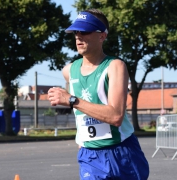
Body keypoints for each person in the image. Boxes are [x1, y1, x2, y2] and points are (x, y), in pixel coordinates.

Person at [48, 9, 149, 180]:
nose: (78, 36)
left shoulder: (115, 66)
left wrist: (71, 100)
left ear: (102, 36)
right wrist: (82, 136)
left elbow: (116, 115)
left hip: (122, 151)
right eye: (75, 32)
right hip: (91, 156)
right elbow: (80, 111)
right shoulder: (69, 71)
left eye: (85, 31)